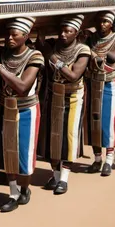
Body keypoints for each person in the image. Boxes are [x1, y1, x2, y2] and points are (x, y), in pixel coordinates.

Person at [0, 17, 44, 212]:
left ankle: (24, 188)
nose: (9, 38)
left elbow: (22, 87)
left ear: (26, 36)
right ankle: (13, 193)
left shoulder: (35, 56)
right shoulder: (4, 54)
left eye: (14, 34)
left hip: (27, 110)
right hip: (7, 109)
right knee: (8, 150)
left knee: (24, 154)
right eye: (8, 34)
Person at [37, 15, 90, 194]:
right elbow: (40, 46)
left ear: (77, 33)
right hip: (53, 94)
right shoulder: (53, 46)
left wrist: (55, 60)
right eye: (62, 30)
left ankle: (64, 179)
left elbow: (74, 75)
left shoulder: (83, 50)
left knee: (69, 134)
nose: (63, 34)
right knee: (53, 134)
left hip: (73, 95)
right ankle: (56, 174)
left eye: (68, 31)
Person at [84, 11, 115, 176]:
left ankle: (109, 159)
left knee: (109, 123)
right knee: (92, 122)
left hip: (111, 85)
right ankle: (97, 159)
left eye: (105, 21)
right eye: (100, 21)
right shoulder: (91, 39)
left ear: (111, 23)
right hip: (92, 84)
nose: (102, 24)